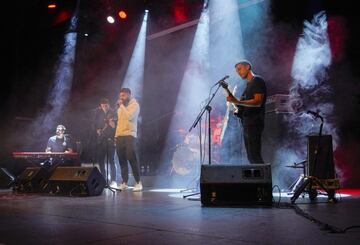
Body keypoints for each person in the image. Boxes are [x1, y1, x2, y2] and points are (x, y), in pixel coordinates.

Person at [226, 60, 267, 164]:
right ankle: (257, 179)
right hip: (247, 123)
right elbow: (240, 106)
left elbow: (258, 101)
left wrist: (237, 101)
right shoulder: (248, 85)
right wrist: (233, 99)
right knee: (251, 157)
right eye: (236, 71)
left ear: (248, 67)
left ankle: (263, 179)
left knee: (255, 156)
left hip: (254, 122)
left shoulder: (257, 80)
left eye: (240, 69)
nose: (238, 72)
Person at [114, 88, 142, 191]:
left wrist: (121, 106)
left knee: (132, 158)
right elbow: (119, 122)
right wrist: (116, 136)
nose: (122, 98)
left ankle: (138, 182)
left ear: (129, 95)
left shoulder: (135, 105)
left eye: (124, 95)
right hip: (120, 136)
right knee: (121, 160)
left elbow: (129, 117)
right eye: (121, 96)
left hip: (130, 135)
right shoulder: (121, 108)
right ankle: (124, 182)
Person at [94, 98, 117, 187]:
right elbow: (96, 125)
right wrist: (98, 130)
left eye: (106, 106)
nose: (104, 108)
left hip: (111, 139)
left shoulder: (114, 113)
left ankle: (114, 180)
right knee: (100, 160)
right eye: (103, 106)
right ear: (100, 106)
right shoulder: (98, 113)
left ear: (109, 105)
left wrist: (110, 123)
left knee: (111, 160)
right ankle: (103, 178)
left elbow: (115, 126)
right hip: (101, 140)